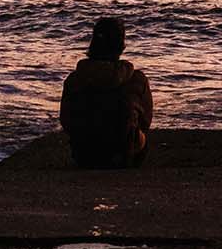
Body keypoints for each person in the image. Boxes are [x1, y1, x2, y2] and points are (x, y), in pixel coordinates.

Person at [60, 17, 153, 168]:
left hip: (85, 156)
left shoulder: (74, 80)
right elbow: (145, 122)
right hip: (124, 155)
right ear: (121, 46)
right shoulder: (136, 79)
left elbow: (66, 121)